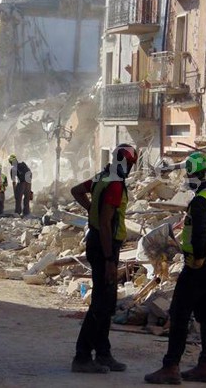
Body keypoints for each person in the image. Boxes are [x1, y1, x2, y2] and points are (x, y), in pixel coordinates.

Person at [145, 152, 206, 385]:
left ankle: (170, 366)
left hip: (199, 265)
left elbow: (201, 232)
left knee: (180, 314)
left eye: (191, 174)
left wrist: (198, 258)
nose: (189, 178)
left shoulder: (201, 201)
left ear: (201, 174)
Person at [70, 144, 138, 374]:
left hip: (98, 243)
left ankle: (103, 353)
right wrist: (110, 260)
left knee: (107, 302)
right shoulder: (115, 184)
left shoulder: (103, 177)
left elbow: (76, 190)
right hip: (105, 247)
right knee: (101, 303)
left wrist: (91, 211)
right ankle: (82, 356)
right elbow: (107, 224)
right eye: (129, 163)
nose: (130, 168)